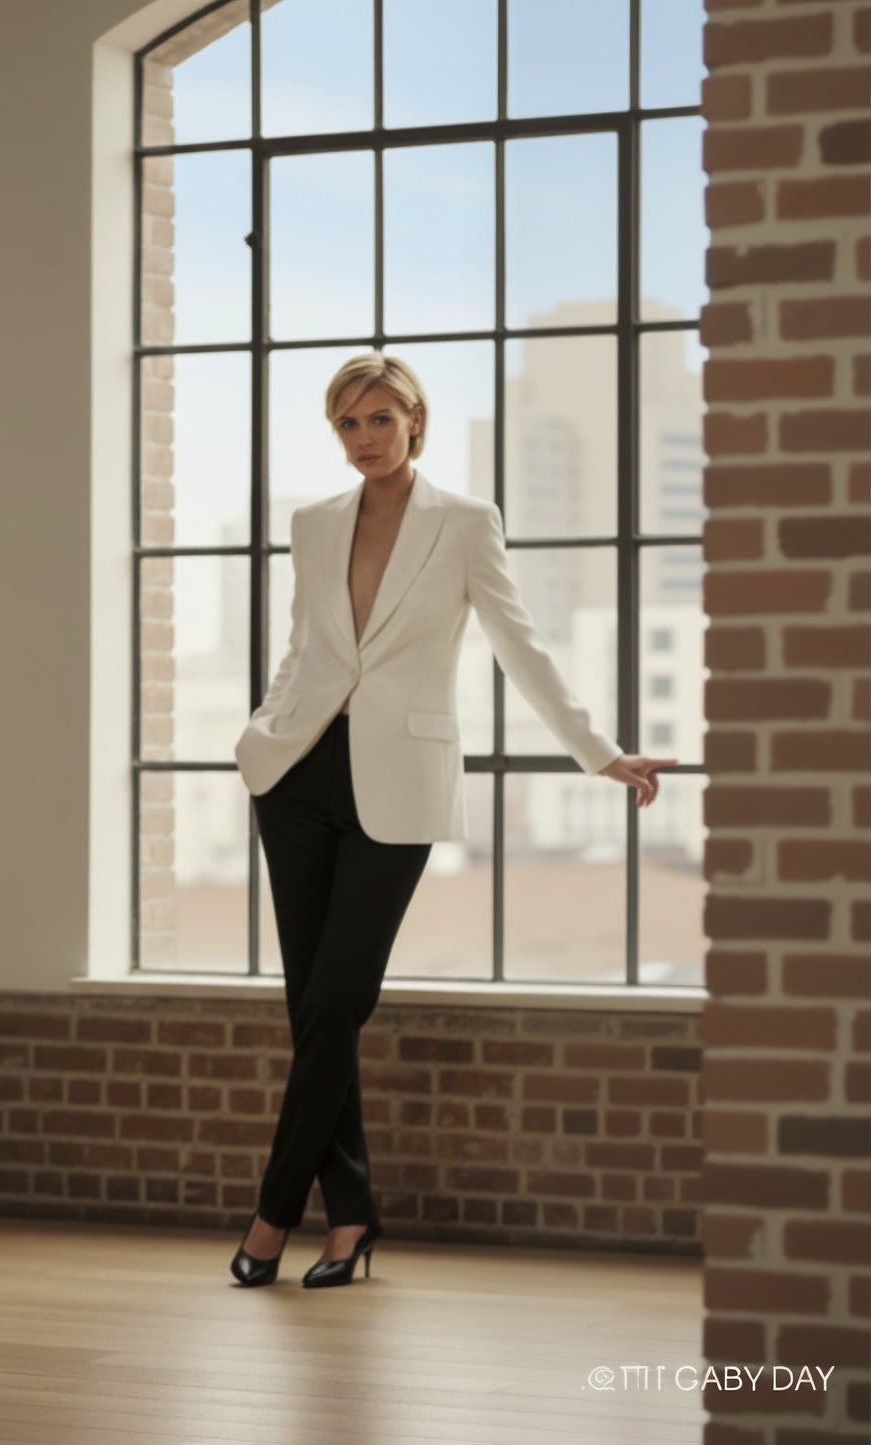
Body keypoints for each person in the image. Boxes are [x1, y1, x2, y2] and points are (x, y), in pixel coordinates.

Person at [229, 354, 675, 1289]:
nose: (363, 439)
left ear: (415, 421)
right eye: (347, 424)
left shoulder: (465, 524)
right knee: (316, 1008)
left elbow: (522, 644)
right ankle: (349, 1220)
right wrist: (263, 738)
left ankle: (273, 1212)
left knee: (335, 1001)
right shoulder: (313, 525)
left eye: (379, 419)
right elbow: (306, 645)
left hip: (398, 780)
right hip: (297, 776)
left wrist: (598, 752)